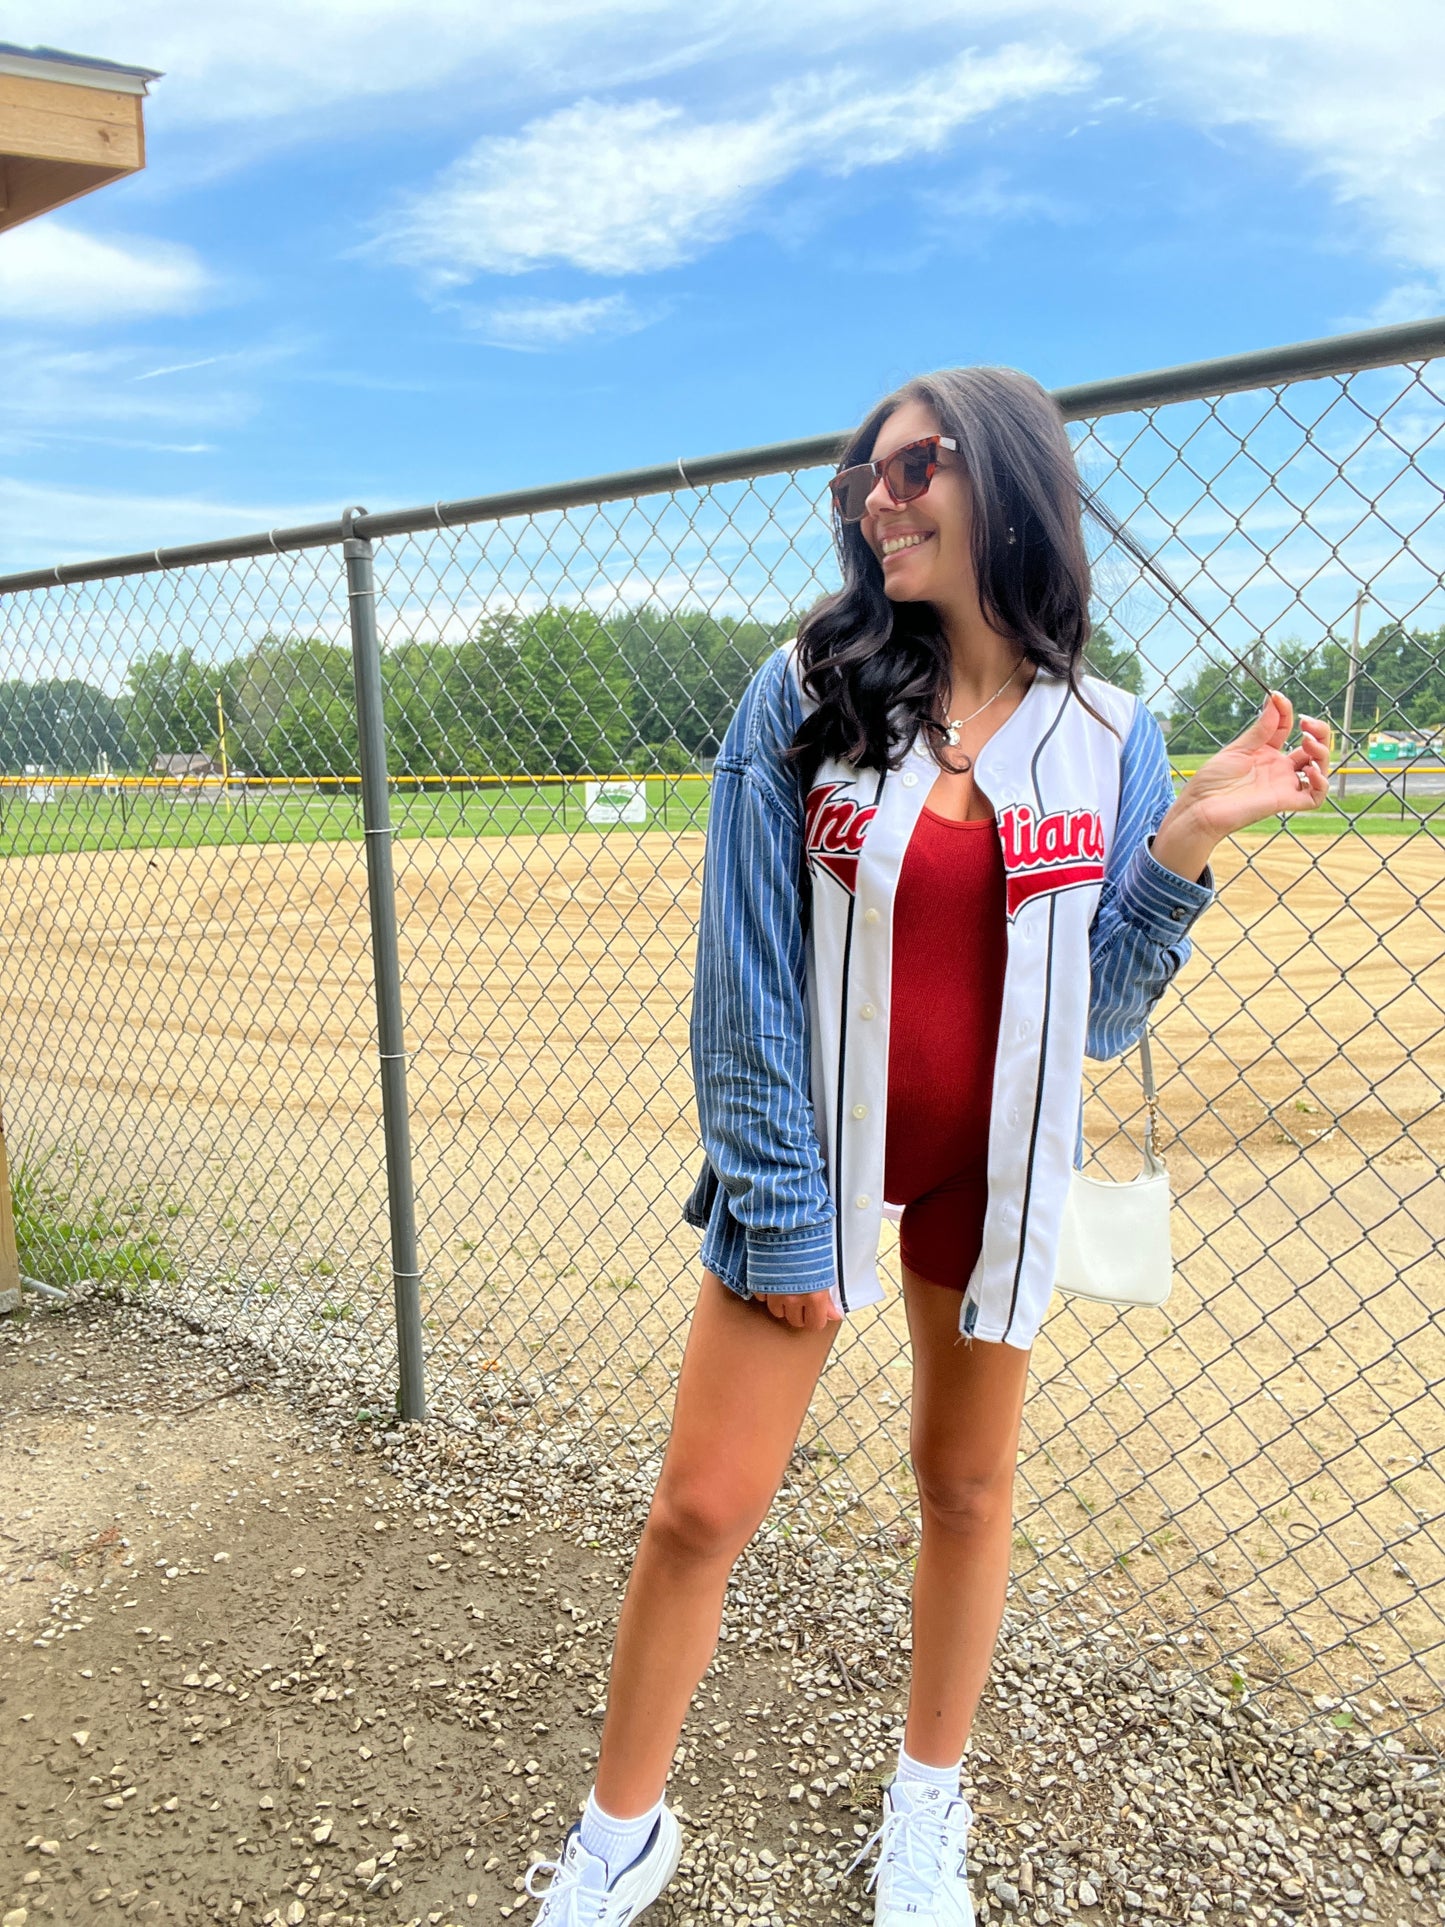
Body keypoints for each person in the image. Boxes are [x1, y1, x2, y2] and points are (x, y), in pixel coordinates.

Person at [522, 366, 1331, 1926]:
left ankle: (925, 1811)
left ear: (1009, 480)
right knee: (700, 1505)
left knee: (962, 1490)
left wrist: (1181, 845)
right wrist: (784, 1215)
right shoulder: (805, 694)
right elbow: (744, 982)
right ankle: (618, 1837)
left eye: (911, 467)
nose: (873, 497)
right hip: (811, 1161)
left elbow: (1094, 1020)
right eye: (862, 478)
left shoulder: (1111, 736)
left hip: (996, 1172)